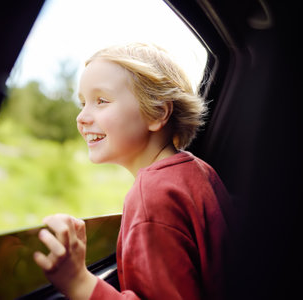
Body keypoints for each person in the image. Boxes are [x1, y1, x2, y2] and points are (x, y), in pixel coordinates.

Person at [33, 42, 231, 299]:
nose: (81, 117)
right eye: (82, 103)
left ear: (157, 113)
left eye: (101, 101)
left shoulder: (152, 196)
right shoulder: (198, 171)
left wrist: (79, 281)